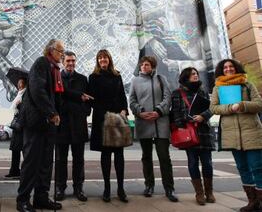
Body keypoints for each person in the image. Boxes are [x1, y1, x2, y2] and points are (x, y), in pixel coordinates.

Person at [16, 39, 64, 212]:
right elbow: (37, 90)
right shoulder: (41, 63)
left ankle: (41, 198)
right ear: (51, 50)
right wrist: (51, 113)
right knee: (31, 162)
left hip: (49, 124)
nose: (62, 54)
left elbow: (56, 96)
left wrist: (57, 115)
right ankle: (22, 200)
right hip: (37, 122)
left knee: (46, 163)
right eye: (60, 51)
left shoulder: (56, 69)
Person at [210, 59, 262, 212]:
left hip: (251, 131)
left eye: (231, 66)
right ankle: (253, 202)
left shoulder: (247, 84)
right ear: (221, 70)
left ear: (236, 68)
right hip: (231, 135)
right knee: (242, 168)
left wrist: (242, 105)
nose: (228, 69)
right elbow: (213, 108)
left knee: (258, 168)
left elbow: (259, 104)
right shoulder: (217, 88)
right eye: (225, 67)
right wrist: (230, 108)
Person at [129, 56, 178, 202]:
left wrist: (158, 111)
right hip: (143, 122)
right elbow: (132, 100)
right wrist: (140, 111)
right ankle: (149, 185)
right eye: (142, 64)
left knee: (164, 157)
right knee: (146, 157)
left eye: (147, 64)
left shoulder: (161, 79)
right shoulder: (135, 81)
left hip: (161, 122)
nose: (144, 66)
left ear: (153, 66)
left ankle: (169, 188)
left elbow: (167, 97)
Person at [87, 49, 129, 203]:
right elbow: (91, 99)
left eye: (105, 57)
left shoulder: (117, 75)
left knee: (119, 156)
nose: (102, 60)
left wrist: (124, 110)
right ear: (97, 61)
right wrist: (105, 112)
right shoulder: (93, 77)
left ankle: (121, 189)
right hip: (102, 119)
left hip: (118, 118)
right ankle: (107, 189)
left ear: (109, 59)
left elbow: (122, 95)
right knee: (105, 155)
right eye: (100, 58)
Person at [170, 67, 215, 205]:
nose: (195, 76)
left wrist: (203, 116)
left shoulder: (202, 91)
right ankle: (199, 193)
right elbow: (175, 113)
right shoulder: (177, 93)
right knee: (193, 162)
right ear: (185, 77)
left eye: (196, 73)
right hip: (189, 132)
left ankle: (209, 192)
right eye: (192, 74)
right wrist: (184, 122)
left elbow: (211, 108)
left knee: (207, 162)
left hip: (204, 130)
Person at [55, 51, 91, 202]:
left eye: (73, 61)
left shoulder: (83, 79)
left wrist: (83, 111)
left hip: (78, 124)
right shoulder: (57, 78)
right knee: (60, 160)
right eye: (68, 61)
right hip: (61, 125)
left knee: (79, 159)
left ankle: (78, 188)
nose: (71, 63)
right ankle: (59, 188)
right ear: (63, 62)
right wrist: (77, 99)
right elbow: (56, 99)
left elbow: (88, 102)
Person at [5, 77, 27, 179]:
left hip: (21, 125)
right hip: (16, 124)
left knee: (21, 149)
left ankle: (22, 171)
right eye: (18, 82)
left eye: (20, 82)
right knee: (15, 149)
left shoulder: (26, 93)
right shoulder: (20, 93)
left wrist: (19, 106)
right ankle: (14, 170)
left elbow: (26, 108)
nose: (18, 84)